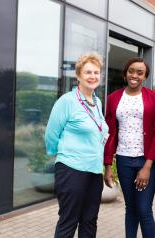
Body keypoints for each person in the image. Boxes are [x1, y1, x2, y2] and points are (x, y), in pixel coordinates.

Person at [45, 52, 109, 238]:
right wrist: (62, 154)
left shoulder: (97, 102)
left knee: (89, 221)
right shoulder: (67, 101)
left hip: (94, 171)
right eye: (88, 72)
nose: (93, 76)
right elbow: (51, 133)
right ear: (79, 75)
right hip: (71, 169)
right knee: (69, 220)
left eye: (96, 72)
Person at [104, 57, 155, 238]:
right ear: (125, 73)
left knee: (144, 209)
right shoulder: (113, 98)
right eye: (131, 71)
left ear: (145, 76)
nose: (134, 75)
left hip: (146, 160)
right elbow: (109, 133)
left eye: (140, 72)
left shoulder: (154, 98)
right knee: (130, 209)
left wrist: (147, 166)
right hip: (123, 160)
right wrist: (108, 166)